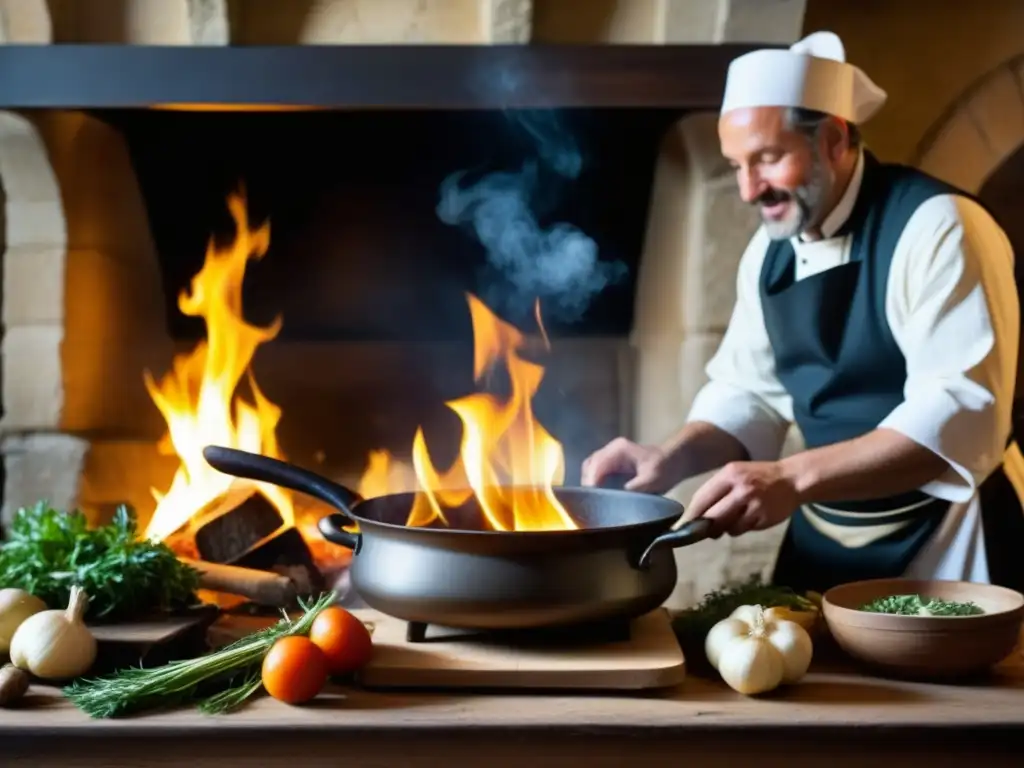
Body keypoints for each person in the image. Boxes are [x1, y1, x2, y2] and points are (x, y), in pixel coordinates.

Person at [581, 31, 1024, 594]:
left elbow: (960, 415)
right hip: (826, 534)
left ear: (834, 140)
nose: (748, 189)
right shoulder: (769, 255)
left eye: (768, 159)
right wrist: (669, 458)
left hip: (951, 542)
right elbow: (749, 393)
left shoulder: (941, 227)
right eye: (737, 165)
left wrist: (790, 477)